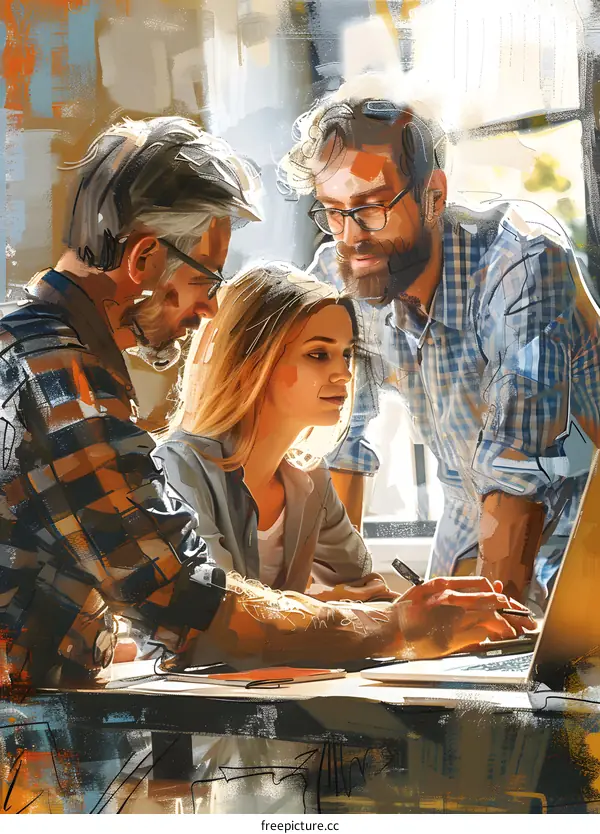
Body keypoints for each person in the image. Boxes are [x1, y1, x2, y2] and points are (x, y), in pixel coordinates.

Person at [0, 114, 531, 693]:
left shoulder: (22, 347)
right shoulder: (64, 385)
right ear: (144, 258)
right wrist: (396, 624)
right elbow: (188, 606)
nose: (208, 312)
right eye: (207, 281)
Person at [281, 79, 600, 606]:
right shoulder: (344, 275)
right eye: (333, 212)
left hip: (582, 519)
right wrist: (344, 606)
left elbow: (518, 473)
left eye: (372, 206)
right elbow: (337, 442)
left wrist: (489, 627)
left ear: (434, 196)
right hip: (469, 512)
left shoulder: (520, 260)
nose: (351, 236)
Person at [154, 263, 397, 622]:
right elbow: (217, 612)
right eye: (318, 354)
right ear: (252, 361)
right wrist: (328, 608)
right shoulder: (176, 471)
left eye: (346, 353)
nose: (344, 373)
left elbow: (363, 586)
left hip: (278, 677)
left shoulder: (311, 479)